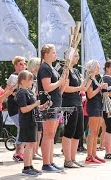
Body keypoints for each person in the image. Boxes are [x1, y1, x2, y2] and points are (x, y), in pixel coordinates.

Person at [37, 44, 67, 172]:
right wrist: (59, 82)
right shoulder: (44, 68)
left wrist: (63, 83)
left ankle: (50, 161)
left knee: (52, 135)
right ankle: (46, 163)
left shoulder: (52, 68)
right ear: (46, 54)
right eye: (53, 52)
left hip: (55, 103)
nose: (56, 54)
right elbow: (47, 87)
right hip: (48, 104)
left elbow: (58, 90)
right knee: (48, 134)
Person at [16, 70, 45, 176]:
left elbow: (33, 106)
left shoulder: (28, 92)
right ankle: (26, 167)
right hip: (26, 122)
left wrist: (41, 106)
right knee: (29, 144)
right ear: (23, 81)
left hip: (32, 121)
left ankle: (30, 165)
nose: (32, 82)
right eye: (30, 80)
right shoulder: (21, 93)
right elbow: (23, 109)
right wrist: (35, 104)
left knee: (32, 143)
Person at [61, 51, 86, 168]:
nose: (78, 57)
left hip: (78, 103)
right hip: (69, 103)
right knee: (69, 131)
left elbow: (81, 87)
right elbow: (64, 88)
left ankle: (73, 158)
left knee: (78, 132)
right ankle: (67, 160)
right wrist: (79, 88)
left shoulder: (75, 71)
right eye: (76, 55)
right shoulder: (65, 70)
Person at [85, 60, 107, 164]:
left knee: (96, 132)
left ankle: (94, 154)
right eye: (97, 67)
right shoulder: (89, 80)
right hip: (93, 106)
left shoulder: (95, 79)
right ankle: (89, 155)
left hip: (98, 106)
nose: (99, 69)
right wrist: (100, 88)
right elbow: (89, 95)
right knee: (92, 132)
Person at [7, 56, 27, 162]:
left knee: (23, 128)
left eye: (24, 64)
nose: (23, 66)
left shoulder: (26, 76)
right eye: (20, 64)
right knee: (22, 127)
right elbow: (10, 91)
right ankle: (18, 152)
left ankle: (20, 152)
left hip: (23, 107)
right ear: (15, 65)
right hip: (14, 107)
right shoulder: (13, 76)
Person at [27, 57, 43, 159]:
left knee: (40, 130)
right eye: (38, 64)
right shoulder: (30, 77)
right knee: (35, 130)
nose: (39, 66)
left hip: (38, 106)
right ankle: (32, 152)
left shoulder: (38, 77)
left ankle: (36, 151)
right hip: (32, 105)